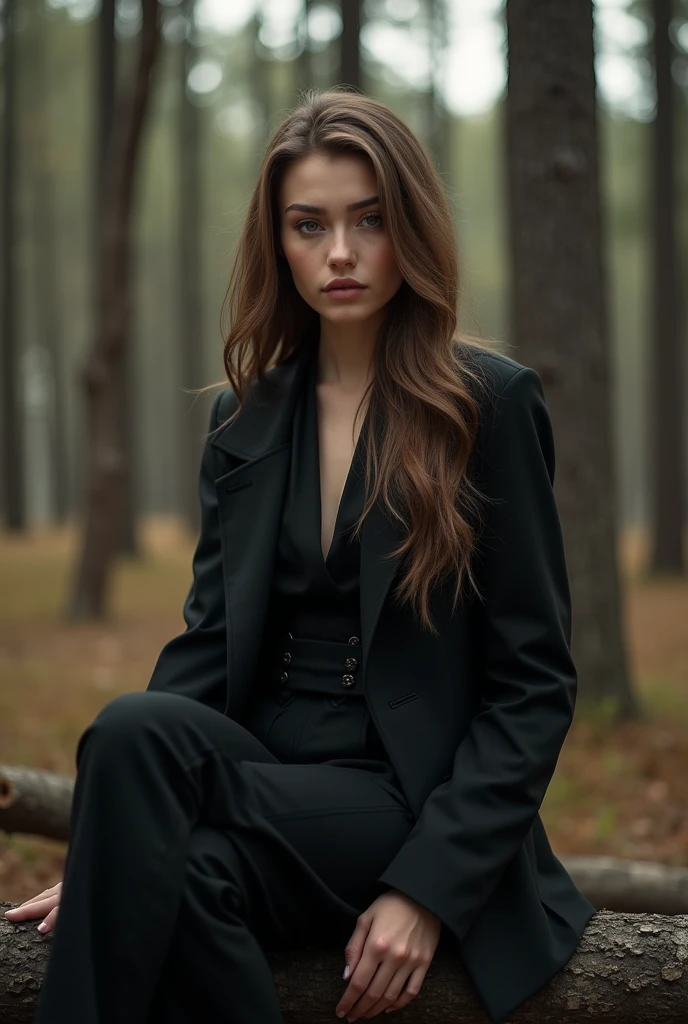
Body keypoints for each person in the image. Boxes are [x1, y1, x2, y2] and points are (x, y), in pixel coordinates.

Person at [5, 88, 596, 1024]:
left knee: (162, 818)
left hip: (404, 791)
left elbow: (534, 683)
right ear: (278, 243)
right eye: (309, 225)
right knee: (145, 766)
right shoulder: (244, 416)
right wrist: (114, 846)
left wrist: (428, 888)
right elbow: (206, 645)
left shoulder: (488, 404)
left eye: (369, 220)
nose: (341, 254)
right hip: (266, 769)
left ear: (411, 225)